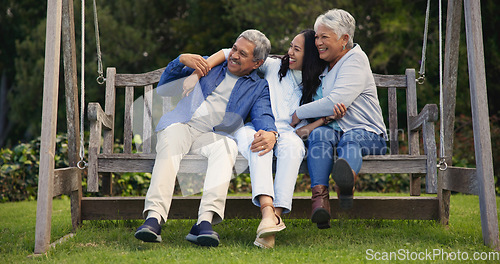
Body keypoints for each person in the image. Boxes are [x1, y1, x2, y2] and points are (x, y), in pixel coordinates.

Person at [134, 29, 279, 247]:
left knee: (228, 146)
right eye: (234, 49)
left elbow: (263, 114)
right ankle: (153, 219)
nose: (234, 55)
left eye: (243, 54)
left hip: (212, 136)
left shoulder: (257, 87)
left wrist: (270, 131)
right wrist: (180, 59)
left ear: (257, 63)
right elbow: (164, 87)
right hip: (183, 125)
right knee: (172, 137)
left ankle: (204, 222)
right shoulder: (208, 66)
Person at [205, 29, 342, 248]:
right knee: (258, 143)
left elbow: (300, 133)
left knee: (295, 148)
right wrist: (201, 69)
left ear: (311, 58)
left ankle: (272, 219)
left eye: (296, 50)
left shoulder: (318, 85)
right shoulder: (274, 66)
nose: (289, 53)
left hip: (288, 134)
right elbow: (226, 51)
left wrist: (324, 120)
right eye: (290, 47)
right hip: (255, 126)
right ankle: (268, 212)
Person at [291, 9, 388, 229]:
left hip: (368, 133)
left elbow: (335, 101)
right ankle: (320, 202)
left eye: (324, 37)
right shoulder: (327, 65)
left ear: (344, 39)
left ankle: (347, 181)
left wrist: (298, 113)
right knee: (319, 135)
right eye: (317, 37)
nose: (318, 42)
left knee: (351, 139)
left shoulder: (355, 59)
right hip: (335, 131)